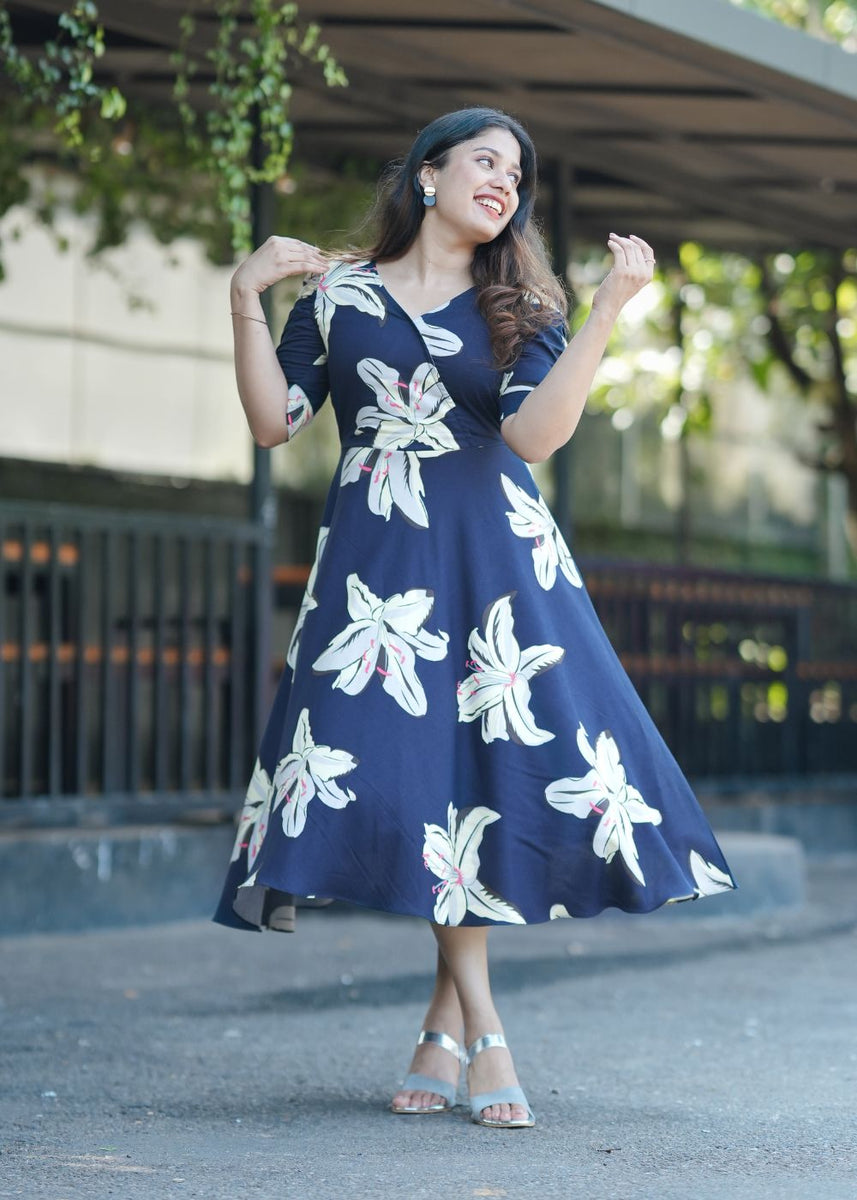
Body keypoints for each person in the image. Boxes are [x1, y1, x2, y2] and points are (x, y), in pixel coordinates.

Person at [215, 107, 736, 1129]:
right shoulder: (338, 297)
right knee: (404, 787)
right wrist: (243, 295)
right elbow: (274, 422)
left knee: (475, 786)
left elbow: (534, 436)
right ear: (426, 176)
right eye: (483, 161)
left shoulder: (519, 307)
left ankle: (465, 1030)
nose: (503, 179)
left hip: (498, 571)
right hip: (375, 583)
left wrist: (603, 314)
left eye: (517, 171)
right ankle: (468, 1024)